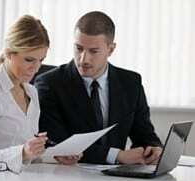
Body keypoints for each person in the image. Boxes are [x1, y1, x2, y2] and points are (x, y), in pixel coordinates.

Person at [35, 11, 163, 165]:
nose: (84, 59)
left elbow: (145, 135)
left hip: (117, 180)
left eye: (93, 51)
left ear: (111, 49)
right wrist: (116, 156)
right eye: (79, 48)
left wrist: (153, 149)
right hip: (70, 177)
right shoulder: (49, 84)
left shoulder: (131, 83)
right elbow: (57, 142)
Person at [0, 15, 80, 173]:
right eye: (29, 60)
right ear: (9, 53)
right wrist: (23, 152)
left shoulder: (31, 92)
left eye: (41, 60)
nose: (36, 68)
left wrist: (55, 156)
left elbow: (27, 156)